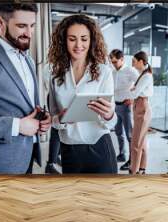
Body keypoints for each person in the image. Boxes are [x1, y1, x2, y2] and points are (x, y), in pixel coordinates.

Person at [0, 3, 51, 174]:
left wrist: (42, 118)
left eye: (32, 26)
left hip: (28, 156)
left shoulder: (29, 60)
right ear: (0, 23)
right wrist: (16, 126)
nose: (29, 33)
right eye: (21, 26)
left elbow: (26, 103)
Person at [47, 14, 118, 174]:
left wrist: (109, 115)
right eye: (72, 39)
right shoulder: (54, 74)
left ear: (91, 40)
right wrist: (62, 119)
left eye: (84, 39)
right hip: (69, 150)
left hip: (100, 147)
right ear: (64, 41)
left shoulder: (104, 72)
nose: (78, 45)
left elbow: (111, 122)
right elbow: (53, 120)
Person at [109, 49, 139, 165]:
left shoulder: (130, 71)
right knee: (118, 133)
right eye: (112, 62)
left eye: (115, 62)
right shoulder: (113, 72)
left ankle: (132, 160)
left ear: (122, 59)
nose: (113, 64)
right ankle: (122, 154)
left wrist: (132, 98)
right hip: (115, 106)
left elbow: (140, 85)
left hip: (126, 107)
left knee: (129, 135)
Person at [129, 51, 153, 175]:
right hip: (140, 105)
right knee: (141, 140)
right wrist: (133, 90)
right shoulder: (143, 75)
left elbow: (134, 93)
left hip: (142, 106)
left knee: (136, 143)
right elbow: (135, 91)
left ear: (141, 61)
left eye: (134, 61)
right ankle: (142, 168)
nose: (133, 64)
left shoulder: (146, 76)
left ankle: (134, 170)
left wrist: (132, 91)